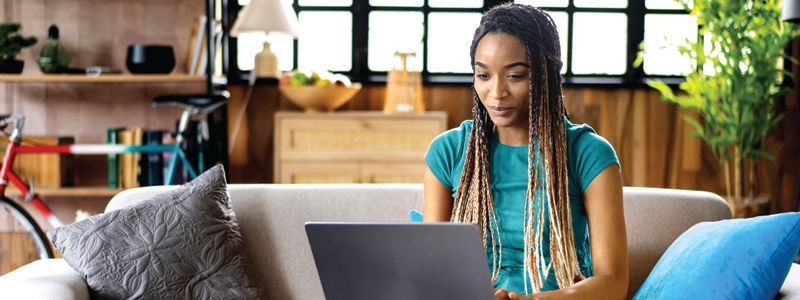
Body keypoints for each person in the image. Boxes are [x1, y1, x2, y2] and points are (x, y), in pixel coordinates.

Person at [423, 3, 629, 300]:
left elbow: (613, 282)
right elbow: (434, 269)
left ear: (546, 74)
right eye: (483, 76)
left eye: (515, 76)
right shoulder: (449, 151)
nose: (496, 93)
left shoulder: (588, 154)